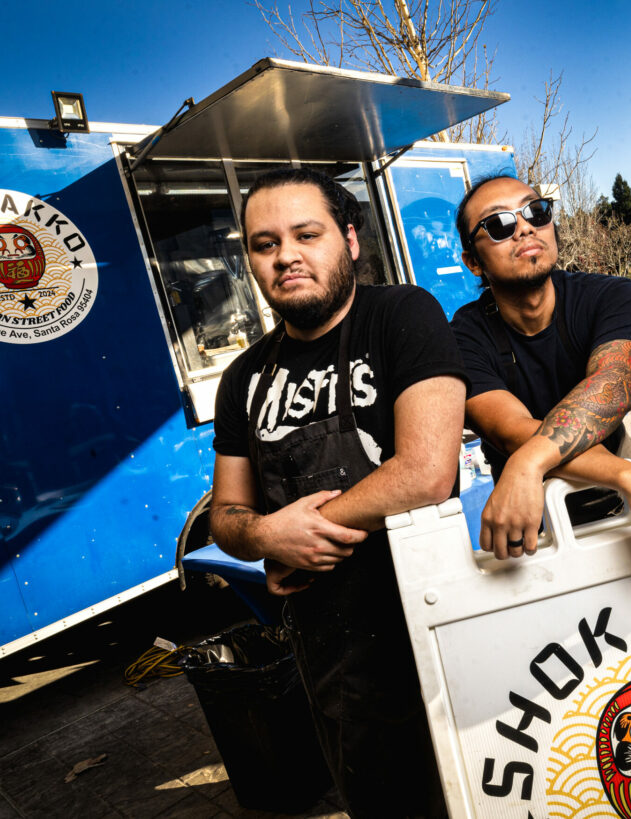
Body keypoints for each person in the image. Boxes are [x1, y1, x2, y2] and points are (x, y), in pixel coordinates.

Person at [208, 168, 466, 817]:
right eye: (265, 243)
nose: (286, 254)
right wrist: (266, 534)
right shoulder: (243, 379)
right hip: (336, 658)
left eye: (306, 233)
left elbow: (426, 470)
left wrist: (300, 538)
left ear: (350, 240)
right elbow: (226, 515)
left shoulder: (402, 315)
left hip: (438, 627)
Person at [450, 174, 631, 559]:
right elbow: (510, 431)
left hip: (627, 509)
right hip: (532, 525)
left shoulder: (609, 295)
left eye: (535, 212)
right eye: (499, 224)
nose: (524, 228)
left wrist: (528, 460)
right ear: (473, 262)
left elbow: (609, 391)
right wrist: (630, 476)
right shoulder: (464, 334)